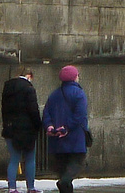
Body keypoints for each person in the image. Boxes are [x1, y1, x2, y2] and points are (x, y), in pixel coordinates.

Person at [41, 65, 89, 193]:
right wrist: (67, 127)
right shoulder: (79, 93)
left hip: (57, 139)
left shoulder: (54, 94)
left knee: (62, 169)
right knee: (76, 164)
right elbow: (80, 115)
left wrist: (49, 126)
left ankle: (65, 183)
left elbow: (46, 113)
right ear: (74, 78)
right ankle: (65, 181)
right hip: (74, 138)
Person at [1, 65, 43, 191]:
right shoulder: (28, 88)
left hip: (10, 128)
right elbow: (33, 110)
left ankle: (12, 188)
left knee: (14, 159)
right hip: (27, 130)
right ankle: (31, 187)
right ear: (29, 76)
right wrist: (38, 125)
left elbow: (4, 109)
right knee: (30, 158)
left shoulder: (7, 87)